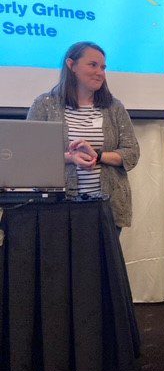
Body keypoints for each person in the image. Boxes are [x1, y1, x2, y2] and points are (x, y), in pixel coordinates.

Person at [27, 41, 140, 231]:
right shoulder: (44, 105)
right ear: (71, 65)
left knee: (102, 262)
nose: (100, 72)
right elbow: (30, 154)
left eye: (103, 67)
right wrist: (70, 158)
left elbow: (132, 153)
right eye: (93, 65)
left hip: (106, 208)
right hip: (57, 207)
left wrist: (97, 155)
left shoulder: (114, 107)